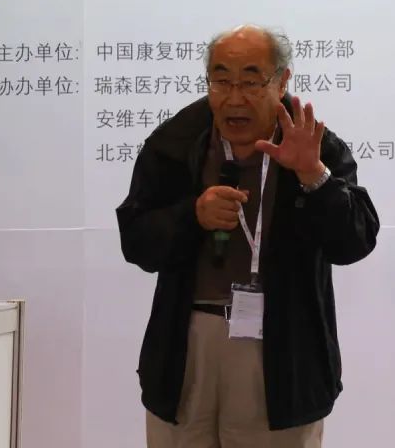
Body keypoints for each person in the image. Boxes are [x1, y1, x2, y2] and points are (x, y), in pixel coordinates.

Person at [116, 24, 380, 448]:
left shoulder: (315, 145)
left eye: (251, 81)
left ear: (282, 81)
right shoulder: (176, 141)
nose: (234, 97)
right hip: (189, 345)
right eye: (221, 80)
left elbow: (354, 242)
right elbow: (136, 240)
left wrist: (313, 176)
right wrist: (192, 216)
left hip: (280, 348)